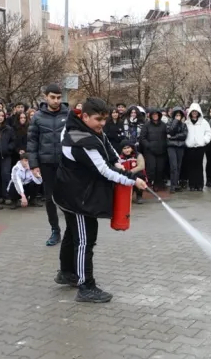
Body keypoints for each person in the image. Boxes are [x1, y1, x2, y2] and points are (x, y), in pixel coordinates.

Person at [52, 98, 147, 303]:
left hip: (71, 193)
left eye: (104, 119)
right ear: (85, 116)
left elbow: (107, 147)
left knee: (72, 234)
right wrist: (133, 179)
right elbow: (103, 171)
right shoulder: (81, 140)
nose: (102, 124)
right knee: (85, 240)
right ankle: (86, 286)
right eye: (98, 119)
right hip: (77, 198)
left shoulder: (84, 128)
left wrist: (118, 162)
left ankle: (67, 273)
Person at [27, 84, 70, 246]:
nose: (56, 100)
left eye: (59, 97)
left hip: (65, 164)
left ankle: (71, 230)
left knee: (67, 197)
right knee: (50, 198)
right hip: (46, 164)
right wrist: (33, 164)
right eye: (53, 97)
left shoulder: (69, 114)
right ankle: (55, 230)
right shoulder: (37, 117)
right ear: (46, 97)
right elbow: (32, 142)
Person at [183, 103, 211, 192]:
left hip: (200, 147)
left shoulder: (204, 122)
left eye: (196, 111)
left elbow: (208, 133)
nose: (194, 113)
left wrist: (204, 140)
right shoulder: (186, 123)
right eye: (193, 111)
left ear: (198, 112)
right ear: (190, 112)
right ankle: (192, 184)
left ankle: (199, 185)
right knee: (191, 166)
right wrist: (186, 142)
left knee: (199, 166)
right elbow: (183, 133)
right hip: (190, 147)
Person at [139, 109, 168, 191]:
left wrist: (165, 145)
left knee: (160, 169)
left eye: (156, 114)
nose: (155, 116)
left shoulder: (163, 125)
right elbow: (142, 138)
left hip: (161, 151)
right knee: (151, 169)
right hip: (150, 151)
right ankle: (148, 183)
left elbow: (167, 136)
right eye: (153, 114)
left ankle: (157, 184)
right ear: (151, 116)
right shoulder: (146, 125)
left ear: (159, 115)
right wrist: (148, 145)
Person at [0, 110, 16, 204]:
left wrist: (8, 148)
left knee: (5, 175)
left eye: (2, 115)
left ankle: (6, 195)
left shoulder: (8, 129)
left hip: (6, 156)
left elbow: (13, 141)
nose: (0, 117)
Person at [165, 107, 188, 192]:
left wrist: (173, 137)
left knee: (178, 166)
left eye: (179, 115)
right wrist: (175, 121)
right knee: (173, 166)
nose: (178, 117)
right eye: (176, 115)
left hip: (180, 146)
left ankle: (176, 184)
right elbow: (170, 131)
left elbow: (184, 135)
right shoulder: (169, 123)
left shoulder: (184, 125)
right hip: (171, 146)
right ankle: (172, 185)